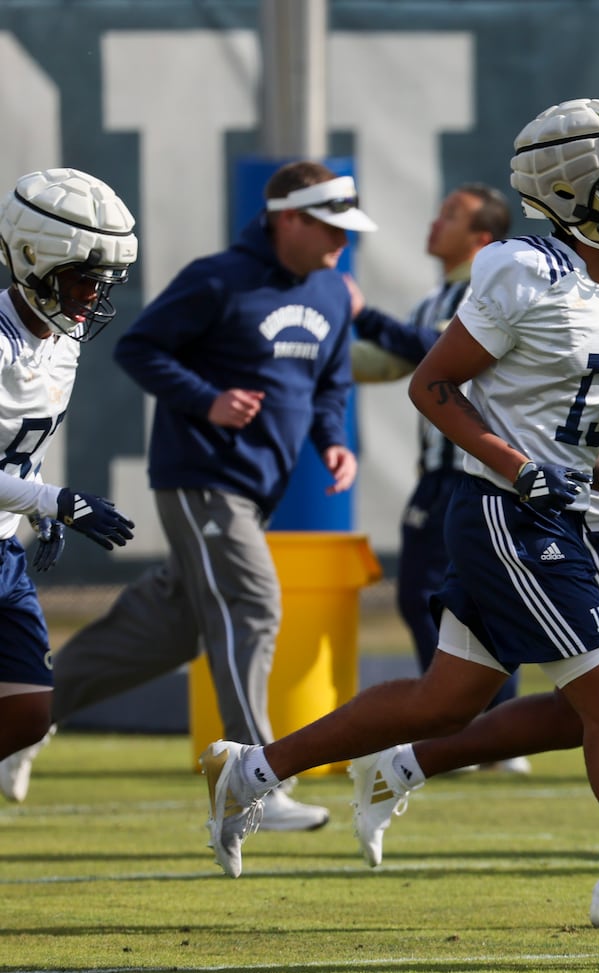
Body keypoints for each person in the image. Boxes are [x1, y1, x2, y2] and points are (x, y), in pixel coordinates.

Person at [194, 99, 599, 969]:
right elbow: (433, 386)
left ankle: (251, 770)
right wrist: (515, 464)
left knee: (446, 701)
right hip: (511, 513)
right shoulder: (522, 269)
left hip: (566, 507)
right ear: (575, 190)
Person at [342, 118, 599, 940]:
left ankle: (401, 763)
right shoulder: (555, 275)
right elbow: (573, 419)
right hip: (566, 511)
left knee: (595, 705)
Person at [2, 162, 366, 830]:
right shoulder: (218, 277)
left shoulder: (336, 293)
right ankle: (254, 775)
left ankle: (29, 725)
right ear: (290, 218)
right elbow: (142, 349)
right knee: (253, 604)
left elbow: (330, 381)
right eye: (330, 227)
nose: (341, 242)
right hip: (202, 475)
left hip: (262, 486)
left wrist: (333, 439)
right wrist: (208, 402)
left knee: (167, 629)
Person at [347, 182, 529, 774]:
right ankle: (485, 732)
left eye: (451, 215)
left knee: (438, 594)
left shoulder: (488, 288)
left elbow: (431, 349)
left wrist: (361, 315)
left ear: (484, 239)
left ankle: (468, 728)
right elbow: (393, 360)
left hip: (471, 470)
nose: (435, 223)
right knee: (463, 599)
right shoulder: (436, 298)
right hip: (447, 474)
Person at [0, 169, 139, 799]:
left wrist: (39, 507)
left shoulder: (66, 336)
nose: (92, 296)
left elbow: (22, 446)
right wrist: (52, 500)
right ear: (32, 258)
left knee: (29, 714)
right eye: (82, 278)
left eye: (102, 281)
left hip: (4, 547)